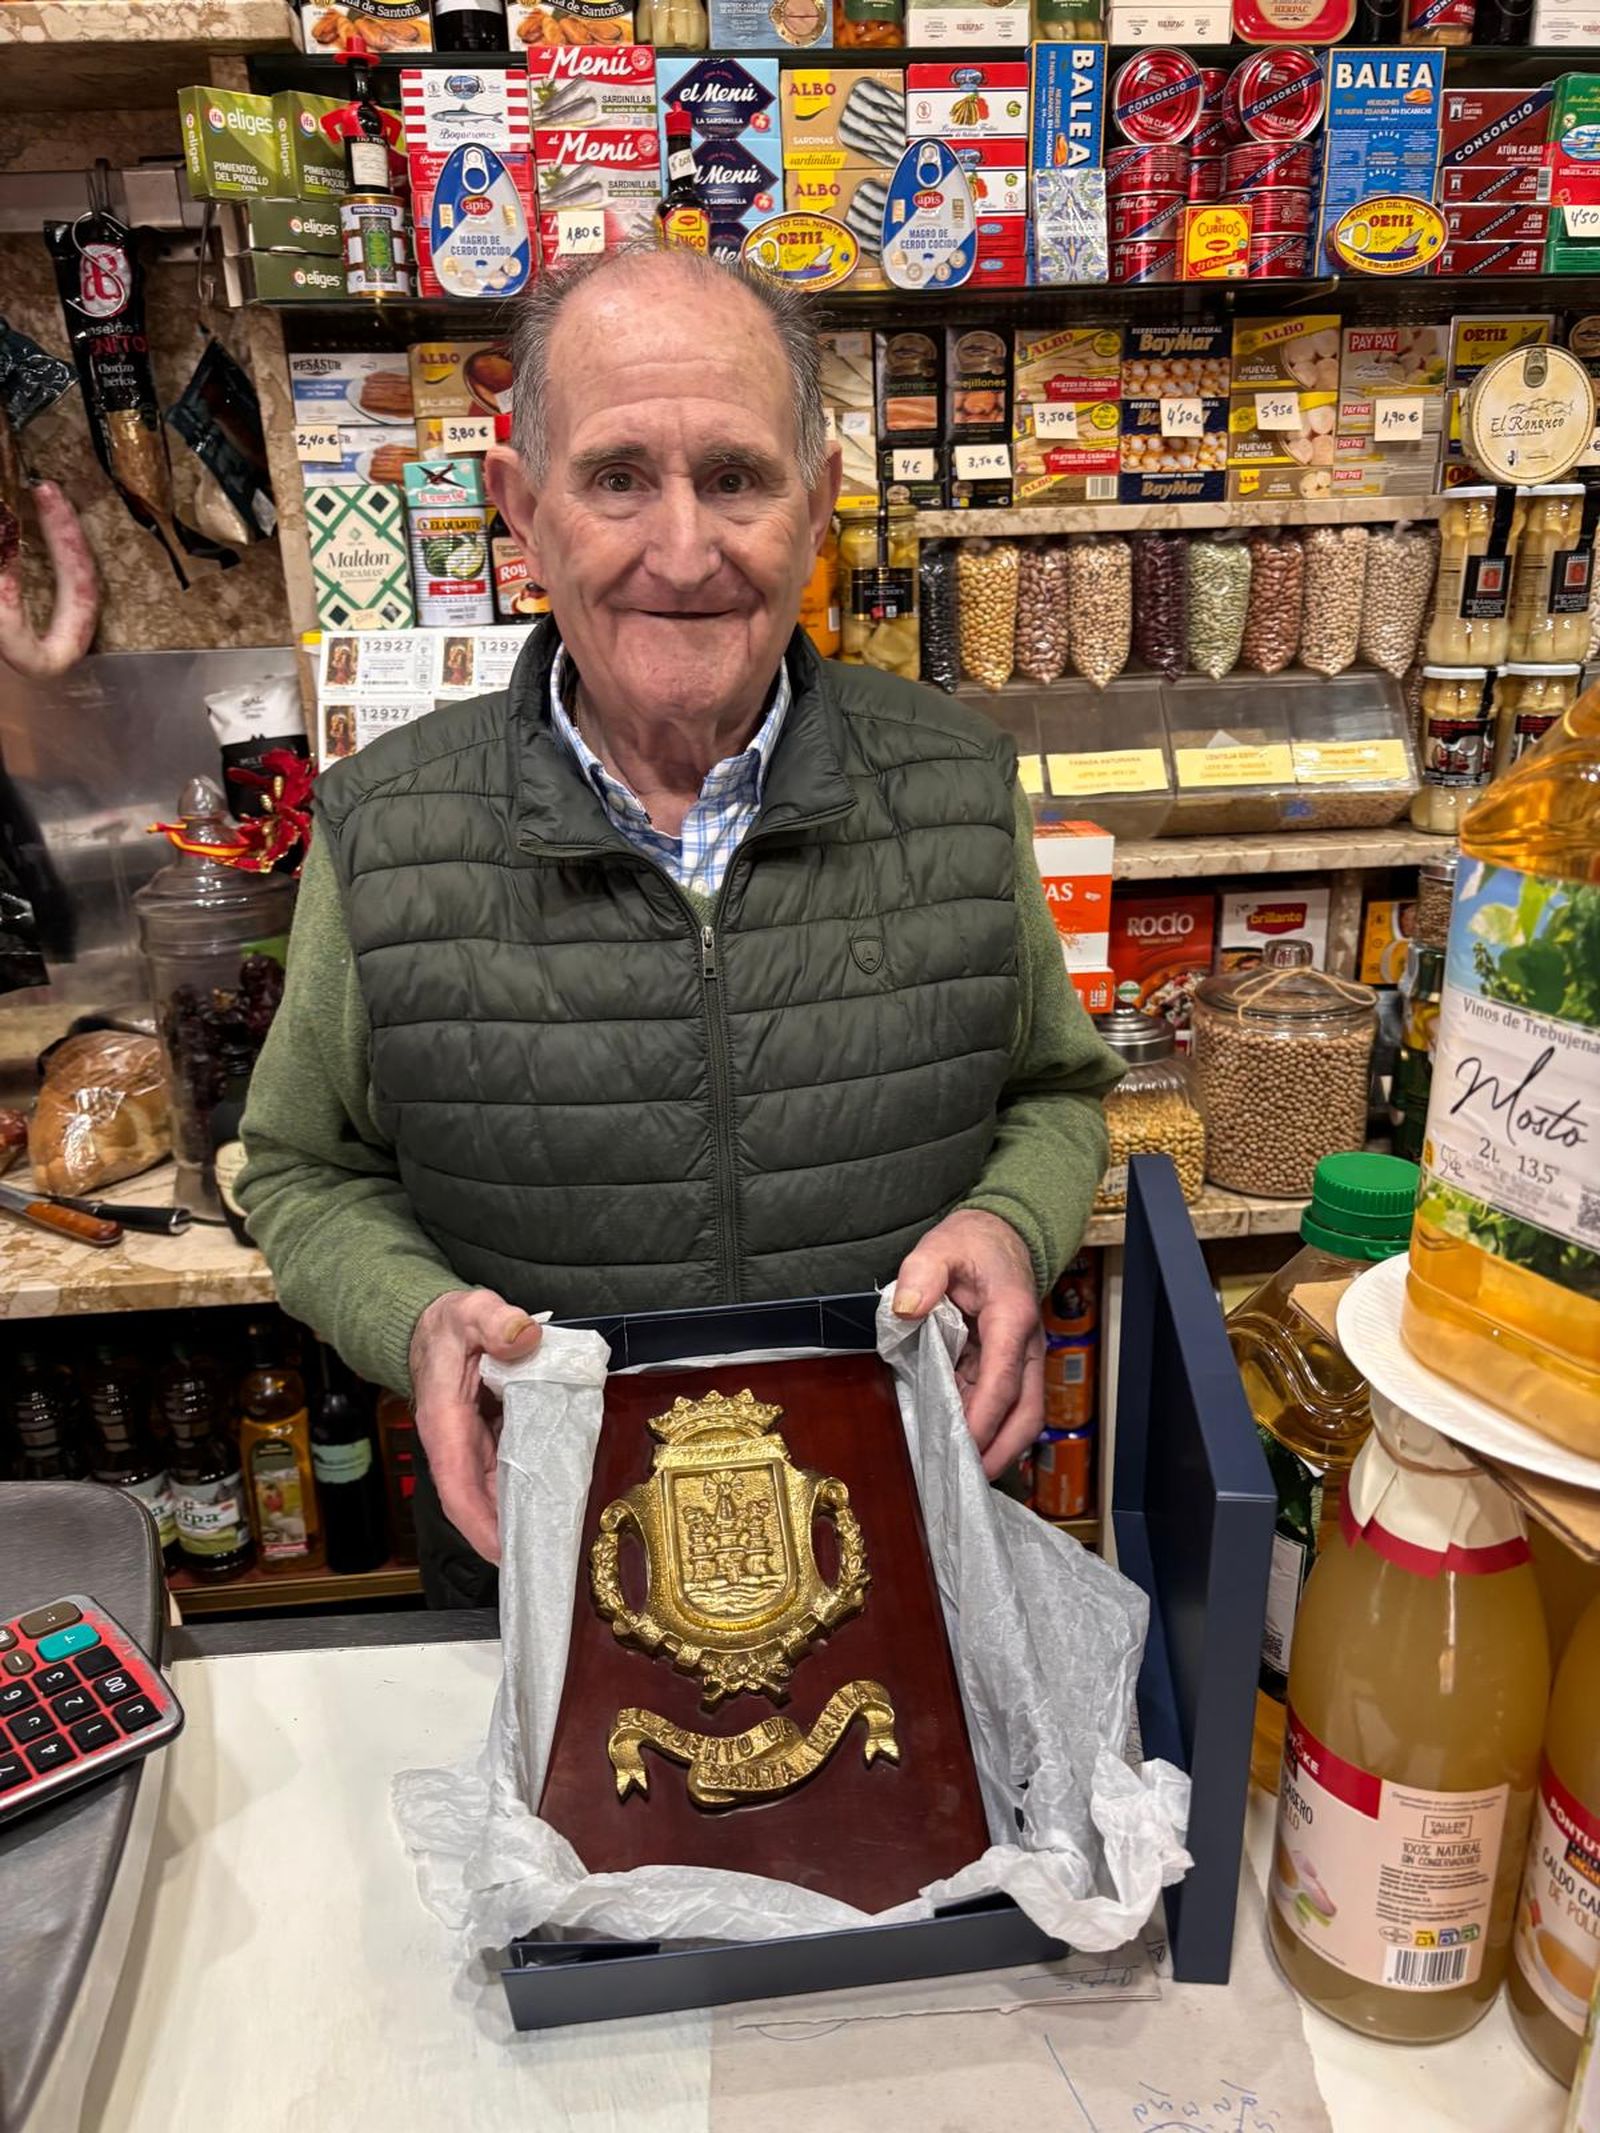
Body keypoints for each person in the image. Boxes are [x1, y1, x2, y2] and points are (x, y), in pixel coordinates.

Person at [238, 248, 1121, 1608]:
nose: (685, 549)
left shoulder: (955, 785)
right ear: (519, 513)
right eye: (615, 479)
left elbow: (1054, 1092)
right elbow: (303, 1171)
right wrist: (413, 1315)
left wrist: (1011, 1225)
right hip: (539, 1571)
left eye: (735, 477)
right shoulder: (383, 829)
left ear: (817, 507)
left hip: (896, 1562)